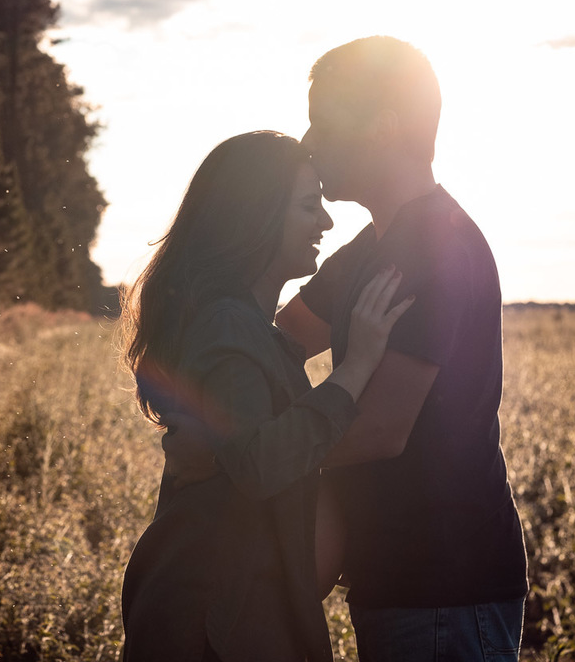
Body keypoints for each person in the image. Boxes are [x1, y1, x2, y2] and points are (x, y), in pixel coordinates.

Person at [275, 36, 530, 661]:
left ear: (383, 127)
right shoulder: (376, 245)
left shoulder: (433, 245)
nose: (310, 141)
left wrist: (250, 454)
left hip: (444, 590)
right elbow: (282, 338)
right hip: (401, 580)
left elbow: (379, 430)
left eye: (323, 122)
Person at [117, 130, 414, 662]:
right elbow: (260, 462)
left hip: (235, 613)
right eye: (308, 206)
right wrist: (357, 366)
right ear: (257, 215)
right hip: (213, 622)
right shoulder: (227, 325)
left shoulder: (246, 326)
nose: (326, 222)